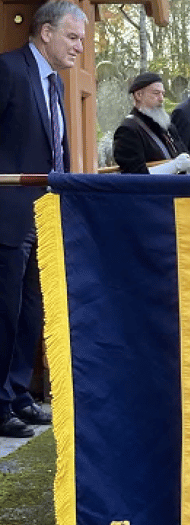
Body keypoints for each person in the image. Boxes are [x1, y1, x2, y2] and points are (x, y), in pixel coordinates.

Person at [0, 0, 87, 437]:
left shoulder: (55, 84)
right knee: (5, 312)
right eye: (73, 37)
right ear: (46, 32)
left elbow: (55, 150)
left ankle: (17, 394)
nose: (79, 48)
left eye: (83, 40)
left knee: (32, 312)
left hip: (43, 216)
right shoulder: (8, 70)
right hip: (7, 215)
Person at [113, 72, 190, 175]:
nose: (161, 99)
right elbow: (135, 176)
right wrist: (174, 166)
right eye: (156, 93)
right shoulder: (128, 130)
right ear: (139, 95)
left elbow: (181, 167)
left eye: (163, 94)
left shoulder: (167, 125)